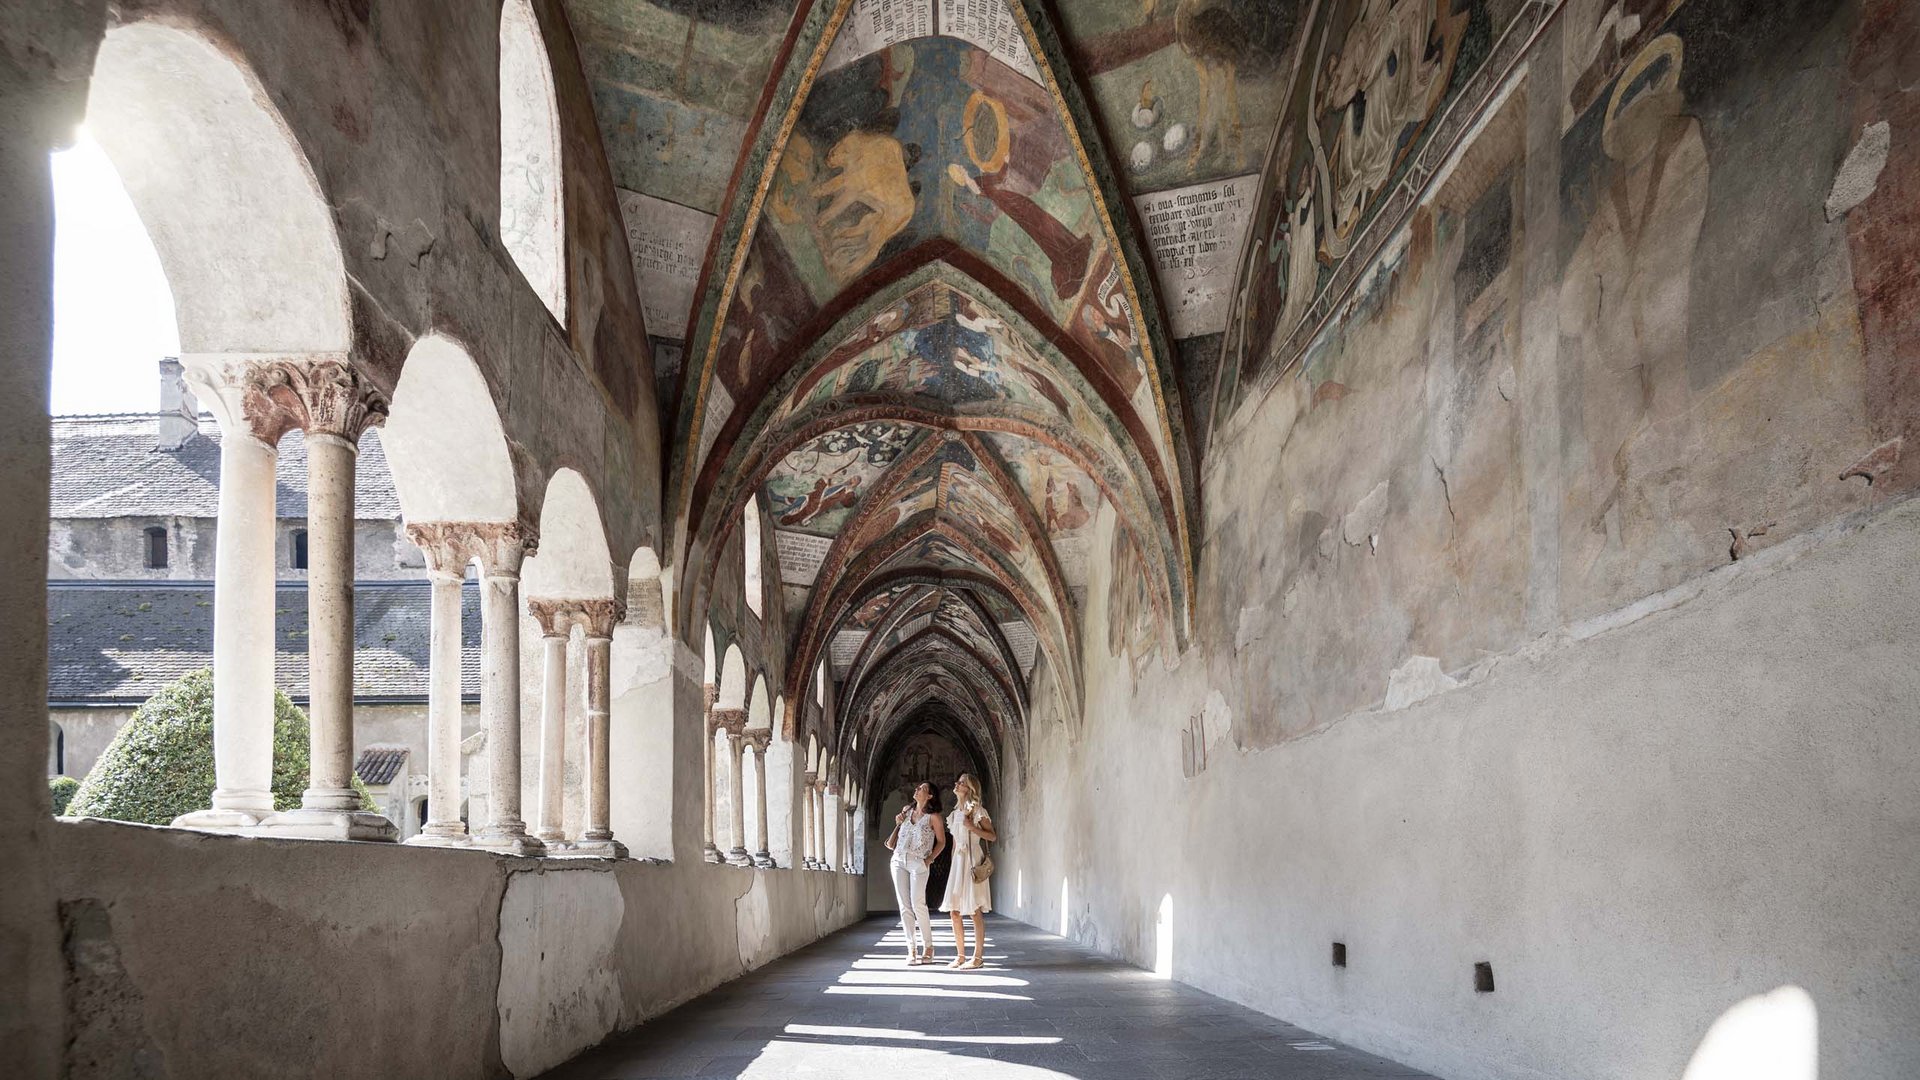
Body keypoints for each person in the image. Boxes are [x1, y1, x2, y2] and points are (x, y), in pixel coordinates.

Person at [884, 781, 946, 965]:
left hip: (918, 862)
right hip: (898, 859)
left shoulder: (934, 818)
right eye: (917, 787)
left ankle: (929, 947)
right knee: (904, 906)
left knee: (918, 904)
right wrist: (898, 821)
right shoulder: (906, 811)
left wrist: (929, 860)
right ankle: (911, 948)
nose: (917, 789)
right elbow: (899, 832)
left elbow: (941, 842)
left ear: (930, 796)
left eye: (922, 788)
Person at [940, 773, 997, 968]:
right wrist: (951, 868)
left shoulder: (978, 811)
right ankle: (960, 955)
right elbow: (955, 844)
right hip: (958, 864)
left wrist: (972, 826)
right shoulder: (954, 814)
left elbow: (992, 837)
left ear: (970, 788)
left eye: (962, 782)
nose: (957, 783)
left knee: (974, 911)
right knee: (954, 911)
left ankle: (978, 957)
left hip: (973, 861)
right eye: (957, 781)